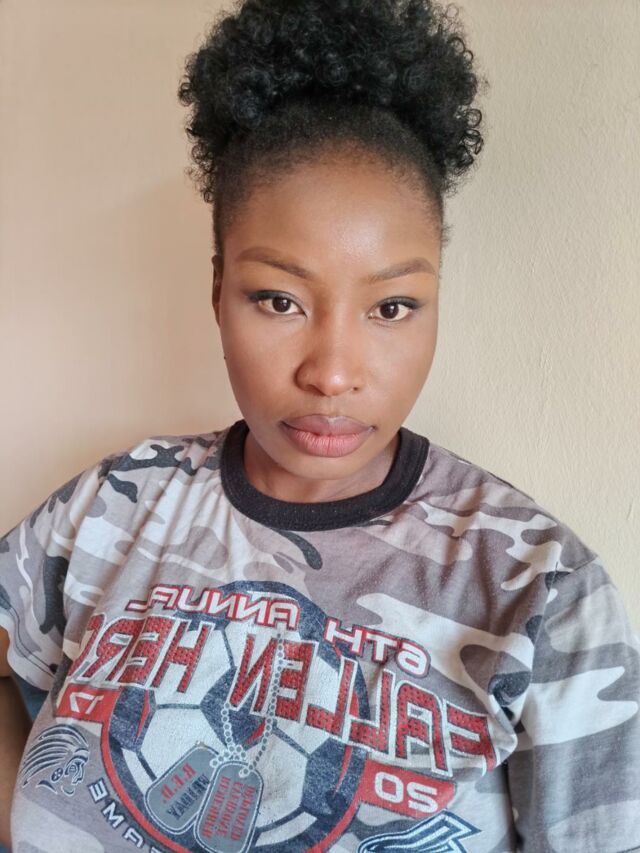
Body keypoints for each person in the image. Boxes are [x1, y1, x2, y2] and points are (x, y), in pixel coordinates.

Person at [1, 0, 639, 850]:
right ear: (218, 291)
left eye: (392, 306)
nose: (332, 372)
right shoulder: (109, 505)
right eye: (279, 300)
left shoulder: (538, 586)